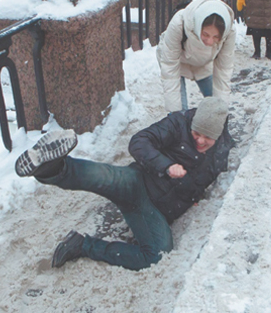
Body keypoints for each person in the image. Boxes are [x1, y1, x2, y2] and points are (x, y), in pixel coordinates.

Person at [15, 96, 232, 271]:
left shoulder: (221, 151)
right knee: (102, 177)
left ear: (218, 134)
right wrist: (166, 166)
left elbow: (205, 177)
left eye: (207, 138)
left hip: (155, 212)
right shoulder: (178, 124)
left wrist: (193, 197)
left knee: (157, 256)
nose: (200, 141)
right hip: (138, 181)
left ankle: (82, 245)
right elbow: (139, 142)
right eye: (196, 133)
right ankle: (51, 167)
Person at [157, 0, 235, 113]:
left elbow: (223, 72)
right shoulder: (179, 23)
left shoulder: (229, 32)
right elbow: (170, 70)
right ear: (198, 26)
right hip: (178, 62)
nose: (209, 41)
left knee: (215, 106)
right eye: (205, 34)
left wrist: (220, 116)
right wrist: (176, 119)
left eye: (216, 37)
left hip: (204, 63)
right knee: (179, 112)